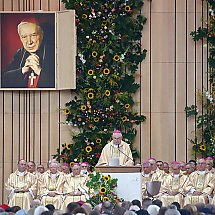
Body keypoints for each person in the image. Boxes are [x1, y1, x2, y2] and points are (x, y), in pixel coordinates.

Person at [2, 18, 55, 88]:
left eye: (33, 35)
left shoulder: (53, 53)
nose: (29, 42)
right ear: (20, 38)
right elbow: (4, 79)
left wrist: (39, 71)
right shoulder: (20, 53)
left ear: (41, 35)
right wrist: (23, 70)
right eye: (24, 37)